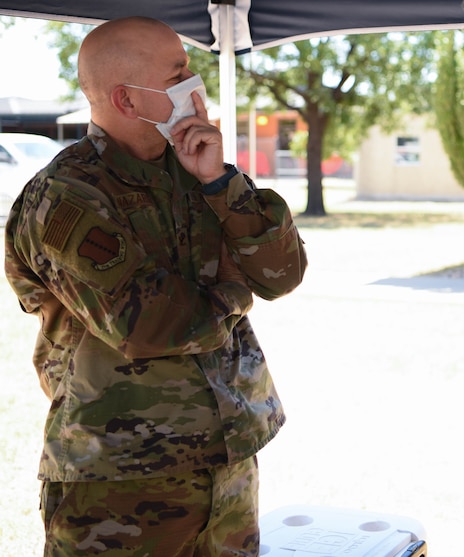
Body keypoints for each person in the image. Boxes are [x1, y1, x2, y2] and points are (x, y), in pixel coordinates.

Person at [4, 16, 307, 556]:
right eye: (179, 75)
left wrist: (221, 184)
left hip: (227, 466)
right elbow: (149, 325)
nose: (196, 87)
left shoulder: (198, 170)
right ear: (127, 99)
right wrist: (236, 290)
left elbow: (283, 273)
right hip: (120, 485)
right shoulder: (67, 197)